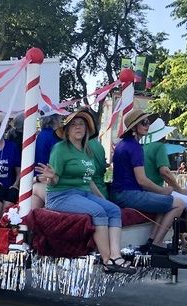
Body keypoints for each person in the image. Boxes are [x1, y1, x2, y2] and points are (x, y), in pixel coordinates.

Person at [36, 109, 135, 274]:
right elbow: (53, 182)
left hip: (83, 193)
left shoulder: (87, 150)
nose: (78, 127)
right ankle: (107, 260)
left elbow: (89, 182)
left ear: (87, 129)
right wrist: (51, 177)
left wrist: (104, 199)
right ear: (67, 130)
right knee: (98, 211)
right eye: (73, 124)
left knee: (113, 209)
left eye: (81, 124)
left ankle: (116, 256)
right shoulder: (60, 149)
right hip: (60, 195)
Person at [110, 108, 185, 255]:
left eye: (148, 122)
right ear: (133, 127)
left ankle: (152, 242)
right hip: (129, 194)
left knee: (165, 201)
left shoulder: (122, 144)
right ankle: (157, 242)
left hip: (119, 193)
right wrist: (164, 190)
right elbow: (142, 181)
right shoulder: (136, 147)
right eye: (143, 122)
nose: (147, 125)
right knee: (179, 204)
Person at [142, 118, 187, 253]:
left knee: (170, 204)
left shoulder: (142, 146)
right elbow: (165, 172)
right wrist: (180, 190)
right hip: (155, 189)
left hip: (143, 189)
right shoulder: (159, 147)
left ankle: (173, 239)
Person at [31, 106, 63, 209]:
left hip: (37, 181)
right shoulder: (55, 137)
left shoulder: (40, 136)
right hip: (49, 182)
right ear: (56, 119)